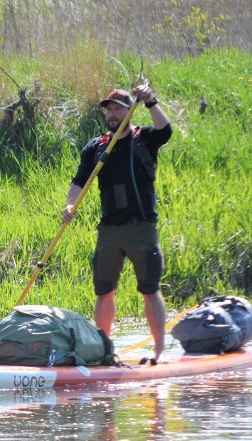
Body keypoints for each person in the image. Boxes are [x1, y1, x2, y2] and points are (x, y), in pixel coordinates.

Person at [62, 85, 173, 363]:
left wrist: (150, 101)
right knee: (104, 291)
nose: (112, 114)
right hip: (109, 229)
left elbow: (165, 131)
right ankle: (103, 351)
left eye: (117, 108)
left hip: (141, 227)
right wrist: (70, 204)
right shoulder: (95, 147)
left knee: (149, 289)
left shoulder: (144, 138)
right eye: (108, 109)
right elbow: (79, 180)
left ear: (129, 110)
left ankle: (160, 351)